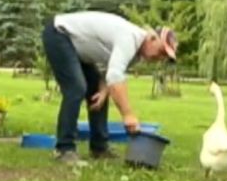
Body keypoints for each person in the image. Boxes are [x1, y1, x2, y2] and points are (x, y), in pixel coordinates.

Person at [41, 10, 177, 163]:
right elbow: (115, 77)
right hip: (59, 34)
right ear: (152, 38)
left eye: (164, 57)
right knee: (76, 88)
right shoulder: (130, 38)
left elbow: (109, 70)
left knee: (97, 92)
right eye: (160, 51)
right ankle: (64, 149)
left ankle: (99, 148)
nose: (159, 58)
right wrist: (128, 114)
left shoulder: (136, 52)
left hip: (74, 47)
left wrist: (104, 91)